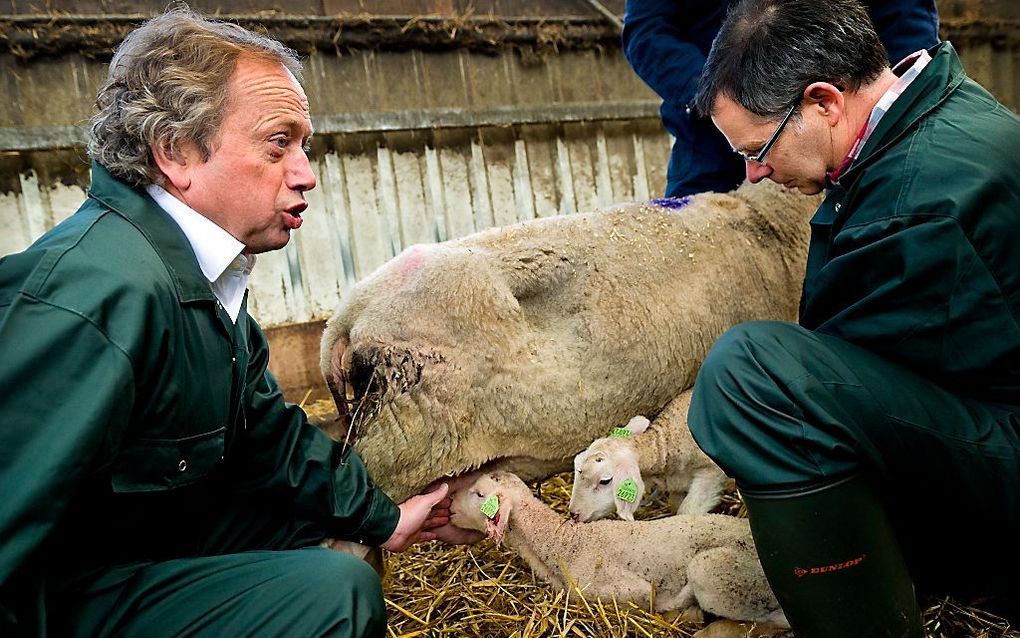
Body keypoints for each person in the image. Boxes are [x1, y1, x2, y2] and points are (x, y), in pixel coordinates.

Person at [0, 8, 458, 637]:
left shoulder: (200, 272)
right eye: (278, 143)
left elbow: (265, 434)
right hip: (61, 598)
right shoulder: (95, 298)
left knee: (312, 520)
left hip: (136, 546)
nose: (306, 173)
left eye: (305, 146)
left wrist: (383, 517)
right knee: (334, 593)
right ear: (177, 151)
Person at [685, 0, 1020, 635]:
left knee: (753, 376)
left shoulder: (913, 205)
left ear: (823, 103)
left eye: (758, 149)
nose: (753, 175)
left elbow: (828, 402)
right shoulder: (953, 112)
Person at [621, 0, 939, 198]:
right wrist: (724, 100)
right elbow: (647, 32)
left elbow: (903, 18)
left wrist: (900, 107)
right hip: (711, 140)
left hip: (845, 127)